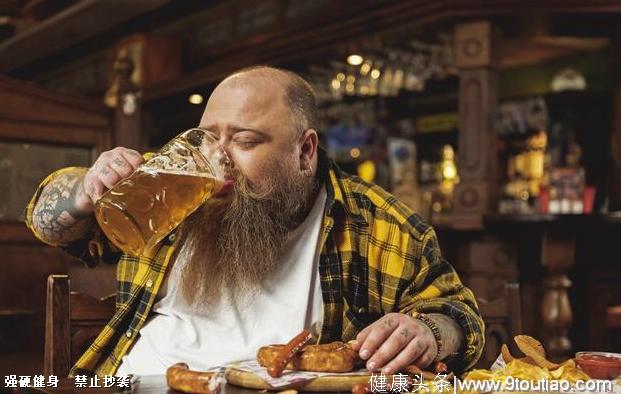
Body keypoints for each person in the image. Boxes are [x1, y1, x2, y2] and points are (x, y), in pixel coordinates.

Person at [26, 66, 484, 377]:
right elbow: (50, 223)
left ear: (305, 151)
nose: (216, 160)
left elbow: (459, 317)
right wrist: (86, 189)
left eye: (244, 141)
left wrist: (428, 332)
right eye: (208, 138)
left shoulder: (378, 224)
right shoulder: (165, 188)